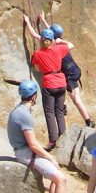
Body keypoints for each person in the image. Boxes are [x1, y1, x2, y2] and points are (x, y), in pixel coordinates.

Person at [24, 12, 95, 127]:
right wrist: (42, 20)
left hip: (69, 74)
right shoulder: (60, 43)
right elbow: (52, 32)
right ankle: (67, 109)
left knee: (76, 99)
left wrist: (27, 22)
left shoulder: (56, 46)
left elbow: (35, 35)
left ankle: (88, 121)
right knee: (64, 90)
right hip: (74, 70)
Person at [7, 79, 66, 193]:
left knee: (56, 173)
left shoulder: (20, 109)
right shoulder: (24, 115)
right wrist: (50, 157)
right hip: (25, 153)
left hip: (24, 150)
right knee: (61, 179)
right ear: (34, 96)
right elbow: (33, 145)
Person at [24, 21, 73, 150]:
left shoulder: (38, 54)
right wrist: (58, 41)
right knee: (60, 111)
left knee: (50, 112)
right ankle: (63, 136)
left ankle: (52, 141)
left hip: (49, 83)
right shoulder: (59, 49)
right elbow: (70, 45)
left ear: (42, 40)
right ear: (52, 40)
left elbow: (38, 69)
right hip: (61, 82)